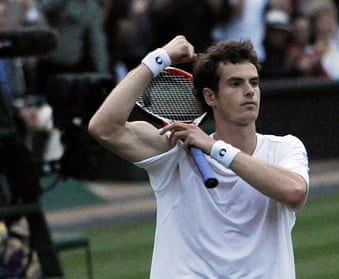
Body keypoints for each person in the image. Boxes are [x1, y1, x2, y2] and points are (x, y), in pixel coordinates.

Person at [88, 35, 309, 278]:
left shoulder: (285, 148)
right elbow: (104, 128)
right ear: (210, 96)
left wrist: (215, 148)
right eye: (236, 84)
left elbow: (294, 192)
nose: (249, 92)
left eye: (254, 83)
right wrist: (159, 58)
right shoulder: (173, 152)